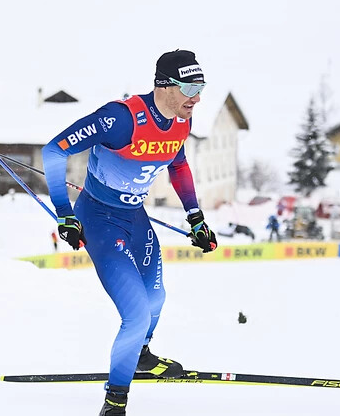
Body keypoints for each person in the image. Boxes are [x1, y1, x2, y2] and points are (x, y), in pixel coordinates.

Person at [42, 49, 218, 416]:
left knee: (156, 299)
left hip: (135, 218)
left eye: (200, 86)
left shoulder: (182, 122)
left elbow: (179, 162)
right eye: (190, 87)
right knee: (136, 314)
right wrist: (64, 214)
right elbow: (53, 152)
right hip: (100, 220)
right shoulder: (120, 119)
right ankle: (115, 402)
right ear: (164, 86)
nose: (197, 97)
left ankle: (139, 355)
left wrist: (196, 217)